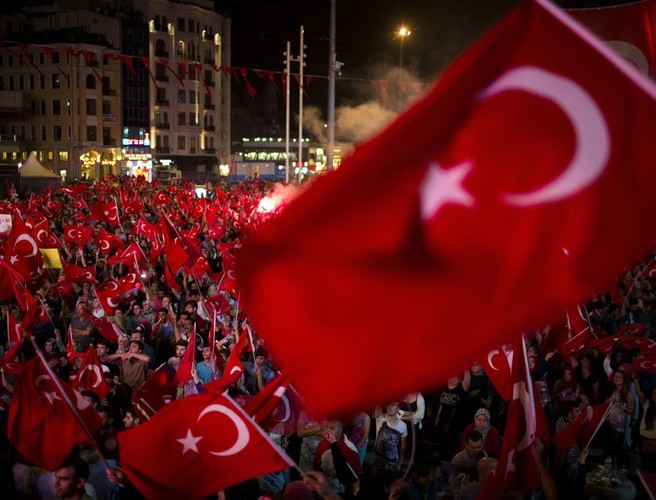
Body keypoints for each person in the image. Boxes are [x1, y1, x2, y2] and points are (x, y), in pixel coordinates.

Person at [313, 420, 361, 498]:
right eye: (326, 427)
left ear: (342, 427)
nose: (328, 431)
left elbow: (354, 481)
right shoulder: (322, 443)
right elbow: (316, 467)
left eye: (332, 428)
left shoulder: (350, 448)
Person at [604, 370, 635, 469]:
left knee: (617, 450)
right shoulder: (611, 390)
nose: (616, 378)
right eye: (615, 376)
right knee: (608, 448)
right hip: (610, 422)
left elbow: (631, 410)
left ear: (624, 379)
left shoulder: (627, 394)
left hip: (620, 427)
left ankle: (616, 469)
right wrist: (609, 401)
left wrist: (623, 407)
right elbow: (605, 403)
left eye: (619, 376)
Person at [373, 402, 408, 481]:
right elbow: (378, 403)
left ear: (398, 409)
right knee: (375, 482)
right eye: (388, 404)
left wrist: (400, 464)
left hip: (391, 463)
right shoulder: (381, 417)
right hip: (378, 459)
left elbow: (403, 445)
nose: (389, 406)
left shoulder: (403, 426)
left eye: (392, 404)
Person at [634, 372, 656, 472]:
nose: (655, 396)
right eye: (654, 393)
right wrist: (635, 379)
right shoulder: (647, 404)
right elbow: (638, 392)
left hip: (654, 439)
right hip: (643, 436)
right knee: (645, 463)